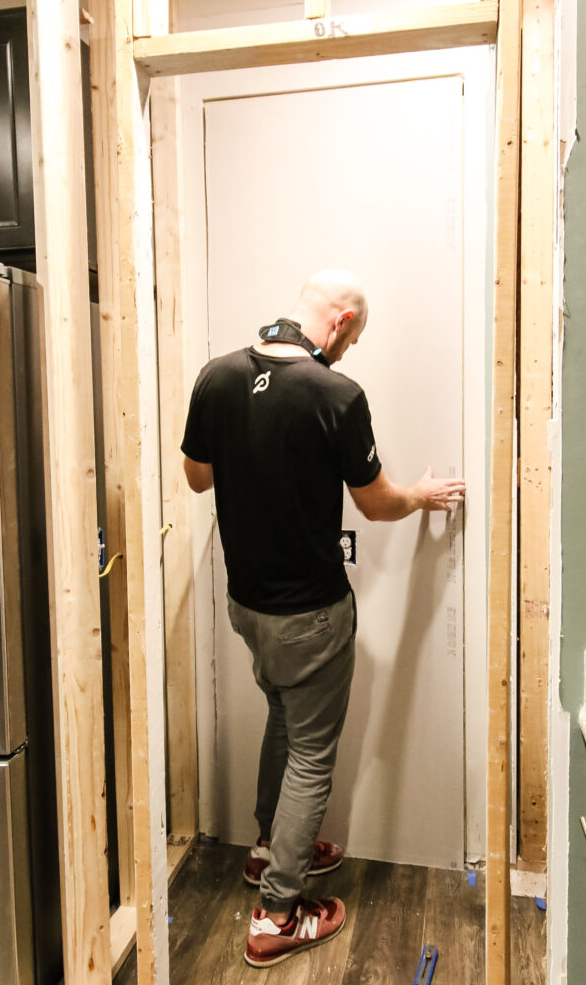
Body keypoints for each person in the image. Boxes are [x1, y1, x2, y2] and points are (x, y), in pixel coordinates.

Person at [181, 269, 465, 968]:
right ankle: (277, 912)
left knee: (284, 719)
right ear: (338, 322)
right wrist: (420, 496)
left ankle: (266, 849)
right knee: (311, 753)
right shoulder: (336, 394)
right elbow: (376, 504)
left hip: (246, 606)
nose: (350, 351)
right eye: (354, 337)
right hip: (308, 613)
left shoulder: (216, 376)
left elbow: (195, 477)